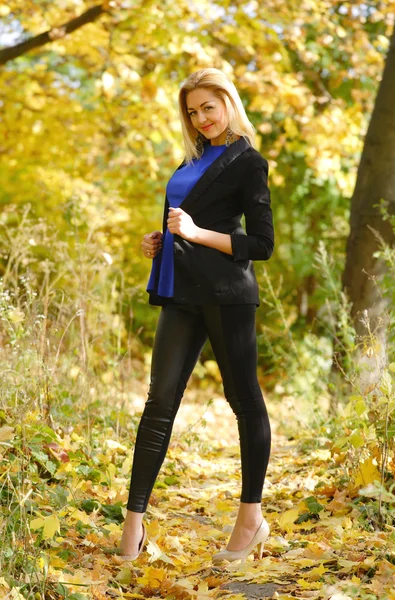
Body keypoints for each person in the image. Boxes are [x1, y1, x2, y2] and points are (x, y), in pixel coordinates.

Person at [116, 67, 274, 565]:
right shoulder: (191, 159)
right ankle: (133, 526)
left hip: (228, 293)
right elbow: (184, 219)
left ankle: (250, 520)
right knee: (158, 402)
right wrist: (162, 240)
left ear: (228, 102)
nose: (201, 117)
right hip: (180, 290)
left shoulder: (248, 161)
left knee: (243, 400)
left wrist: (196, 232)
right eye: (192, 110)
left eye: (209, 106)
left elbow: (261, 245)